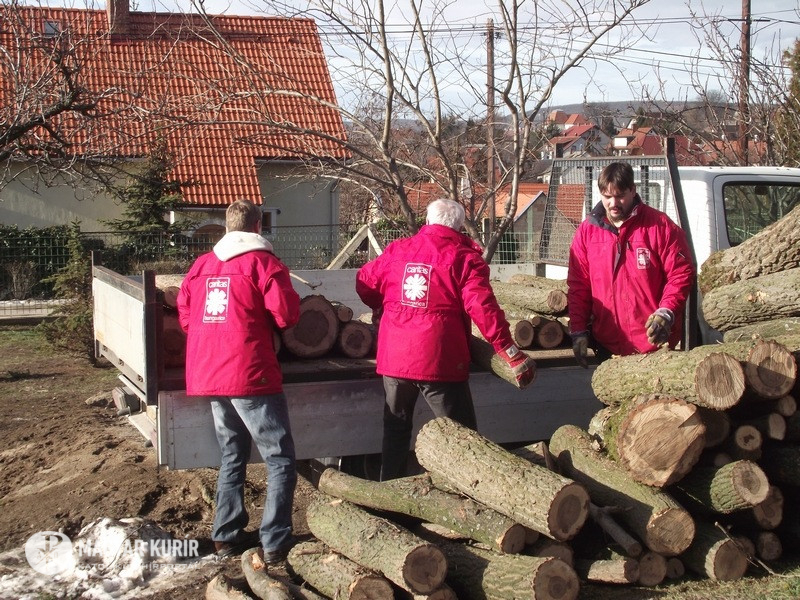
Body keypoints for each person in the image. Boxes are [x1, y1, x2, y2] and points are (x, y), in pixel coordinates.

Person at [356, 198, 536, 481]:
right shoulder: (464, 258)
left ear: (428, 221)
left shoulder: (398, 249)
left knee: (395, 430)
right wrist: (508, 351)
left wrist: (381, 305)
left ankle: (390, 491)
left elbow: (364, 281)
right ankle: (469, 491)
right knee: (463, 438)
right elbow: (483, 308)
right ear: (459, 226)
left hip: (395, 358)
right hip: (439, 360)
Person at [177, 199, 301, 563]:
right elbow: (286, 315)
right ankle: (275, 541)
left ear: (227, 226)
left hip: (209, 371)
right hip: (250, 372)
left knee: (232, 454)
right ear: (258, 226)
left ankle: (226, 535)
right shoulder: (264, 263)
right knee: (279, 458)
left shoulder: (202, 264)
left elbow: (186, 316)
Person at [567, 161, 695, 366]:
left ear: (633, 191)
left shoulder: (660, 226)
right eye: (607, 196)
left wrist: (666, 311)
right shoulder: (587, 232)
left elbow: (680, 273)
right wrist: (578, 330)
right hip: (607, 344)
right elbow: (578, 285)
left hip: (654, 345)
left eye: (620, 196)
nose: (613, 203)